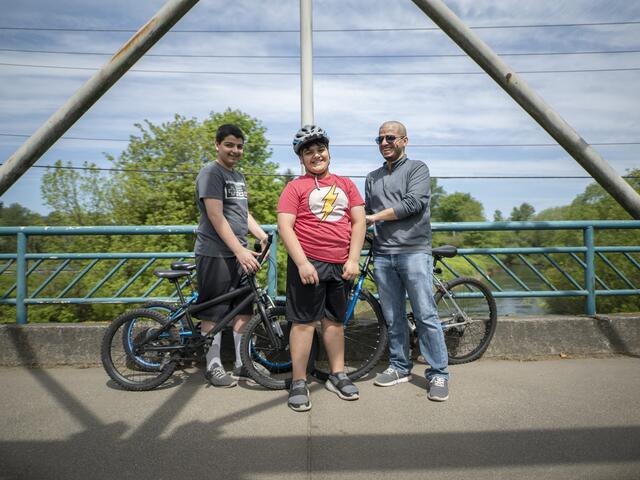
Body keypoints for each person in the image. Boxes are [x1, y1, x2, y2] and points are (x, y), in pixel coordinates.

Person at [277, 125, 366, 412]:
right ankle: (299, 380)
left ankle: (338, 374)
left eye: (320, 149)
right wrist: (302, 262)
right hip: (308, 263)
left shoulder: (346, 184)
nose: (317, 155)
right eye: (309, 152)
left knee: (335, 321)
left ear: (328, 151)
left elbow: (358, 222)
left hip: (340, 264)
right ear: (301, 159)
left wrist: (353, 259)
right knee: (303, 323)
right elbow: (285, 226)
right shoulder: (295, 187)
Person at [364, 120, 449, 401]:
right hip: (383, 254)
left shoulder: (417, 169)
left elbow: (414, 204)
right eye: (380, 139)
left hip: (413, 251)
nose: (384, 143)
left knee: (425, 313)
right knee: (393, 316)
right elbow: (363, 211)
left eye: (390, 137)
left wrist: (375, 217)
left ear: (404, 140)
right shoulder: (372, 177)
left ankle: (438, 373)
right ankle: (400, 366)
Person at [194, 123, 269, 388]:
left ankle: (242, 363)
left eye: (239, 146)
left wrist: (260, 235)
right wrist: (238, 250)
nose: (235, 150)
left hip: (240, 254)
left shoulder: (237, 176)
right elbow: (215, 216)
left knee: (243, 310)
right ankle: (213, 366)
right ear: (217, 145)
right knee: (213, 313)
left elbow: (241, 212)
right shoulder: (211, 173)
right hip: (216, 254)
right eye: (229, 145)